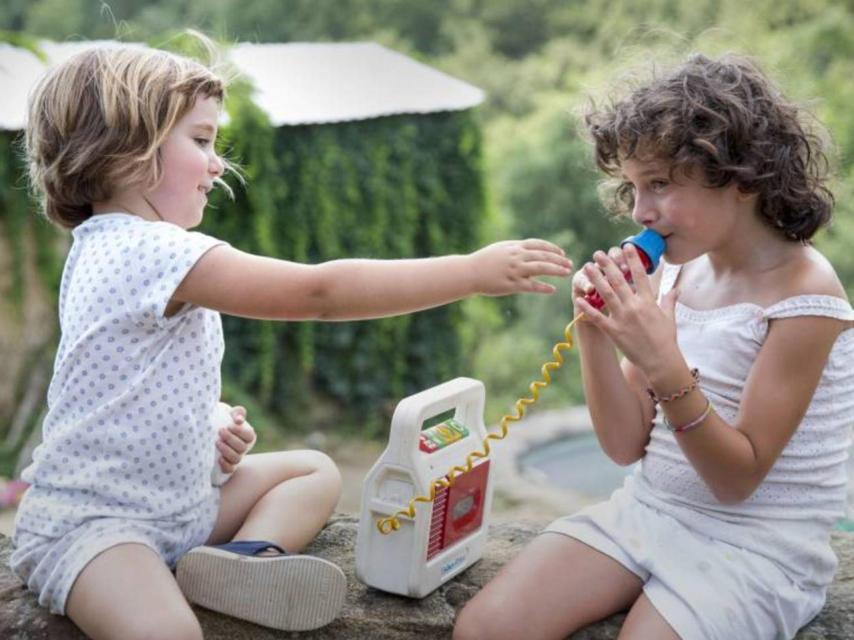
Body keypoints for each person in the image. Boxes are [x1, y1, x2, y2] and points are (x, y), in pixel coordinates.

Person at [10, 42, 573, 640]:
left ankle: (241, 565)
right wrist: (470, 272)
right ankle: (226, 567)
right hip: (101, 527)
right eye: (201, 140)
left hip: (179, 508)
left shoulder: (108, 246)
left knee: (312, 472)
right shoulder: (146, 249)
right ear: (126, 148)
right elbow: (319, 293)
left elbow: (126, 383)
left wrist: (210, 422)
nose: (217, 164)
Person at [454, 53, 854, 640]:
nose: (641, 212)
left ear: (741, 177)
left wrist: (663, 362)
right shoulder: (676, 272)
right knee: (485, 628)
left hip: (758, 546)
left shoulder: (804, 296)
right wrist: (594, 332)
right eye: (635, 188)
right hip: (651, 510)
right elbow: (623, 446)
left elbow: (736, 481)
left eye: (660, 184)